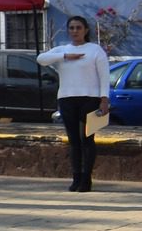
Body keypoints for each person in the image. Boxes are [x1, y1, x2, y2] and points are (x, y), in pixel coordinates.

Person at [39, 16, 110, 192]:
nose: (75, 31)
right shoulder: (62, 50)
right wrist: (65, 56)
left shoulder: (95, 50)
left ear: (85, 30)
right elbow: (41, 58)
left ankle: (87, 179)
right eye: (71, 28)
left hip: (90, 99)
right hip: (67, 98)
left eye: (78, 28)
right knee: (73, 140)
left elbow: (104, 76)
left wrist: (104, 99)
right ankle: (76, 177)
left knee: (87, 139)